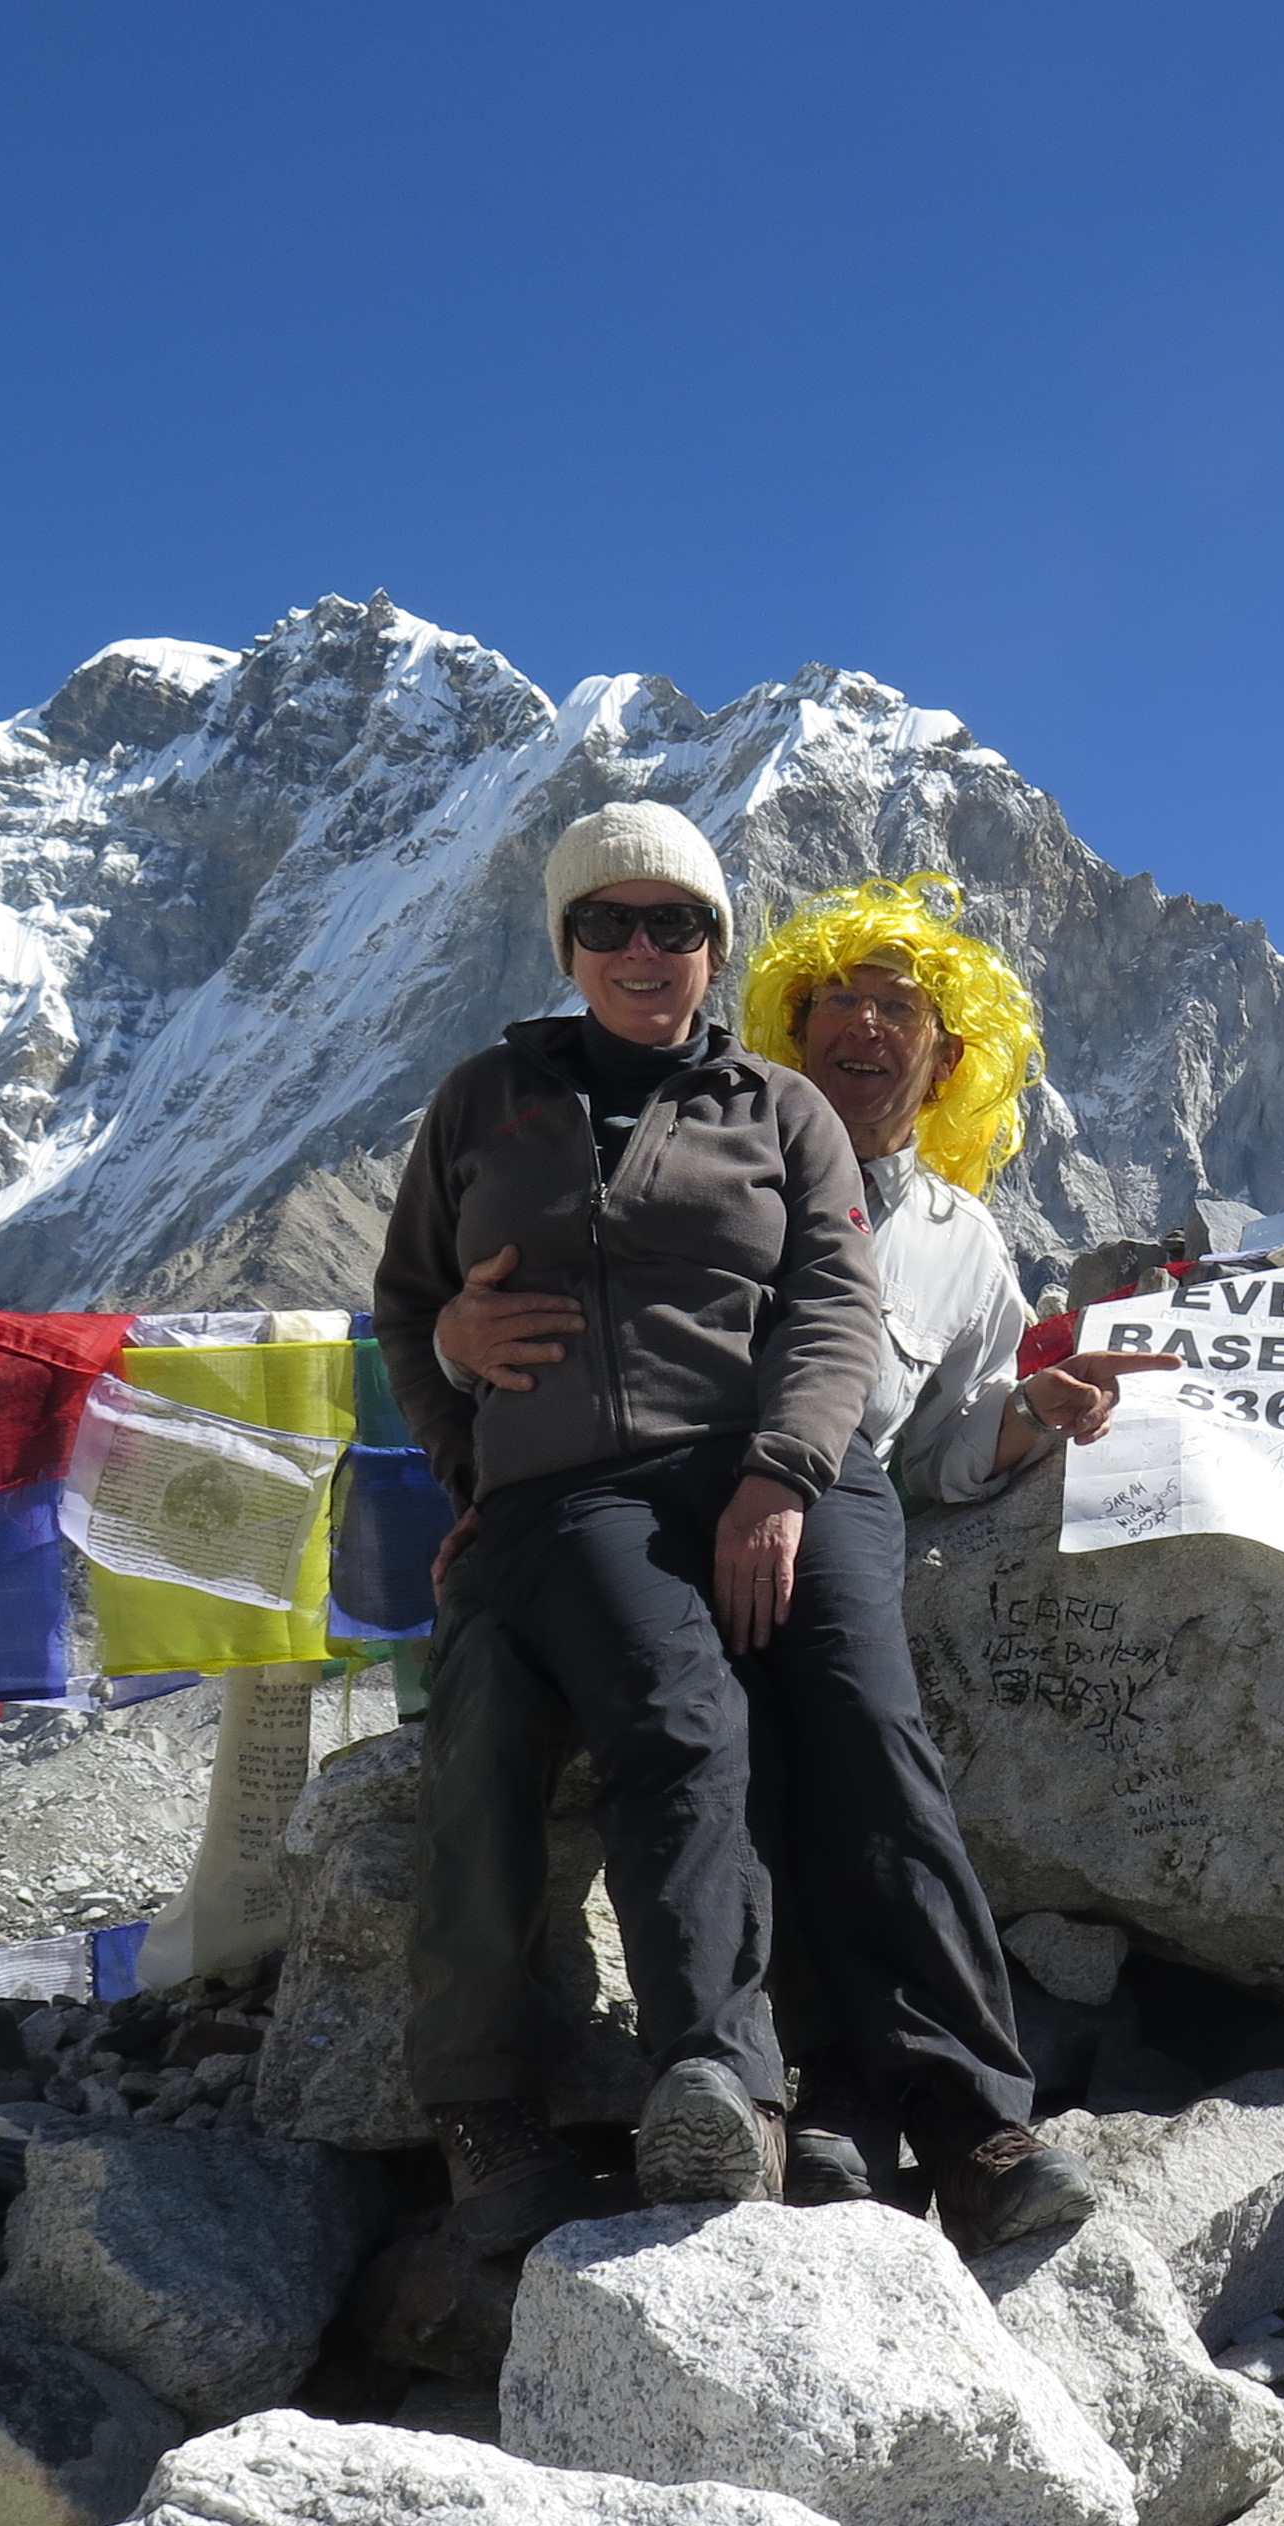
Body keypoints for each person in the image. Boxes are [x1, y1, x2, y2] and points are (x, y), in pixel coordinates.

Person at [369, 801, 882, 2251]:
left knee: (486, 1725)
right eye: (610, 923)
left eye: (676, 923)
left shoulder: (781, 1111)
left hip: (711, 1484)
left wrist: (782, 1473)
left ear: (717, 947)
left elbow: (838, 1307)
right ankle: (721, 2077)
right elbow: (411, 1305)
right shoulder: (484, 1097)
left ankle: (503, 2112)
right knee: (679, 1709)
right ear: (568, 946)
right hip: (551, 1501)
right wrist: (467, 1445)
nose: (643, 949)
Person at [732, 876, 1177, 2237]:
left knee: (860, 1739)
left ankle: (958, 2116)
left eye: (900, 1009)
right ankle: (844, 2106)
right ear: (787, 1031)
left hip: (843, 1503)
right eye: (835, 1004)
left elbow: (929, 1452)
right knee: (731, 1762)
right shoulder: (720, 1166)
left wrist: (1028, 1418)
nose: (865, 1029)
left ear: (952, 1055)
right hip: (684, 1484)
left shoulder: (963, 1244)